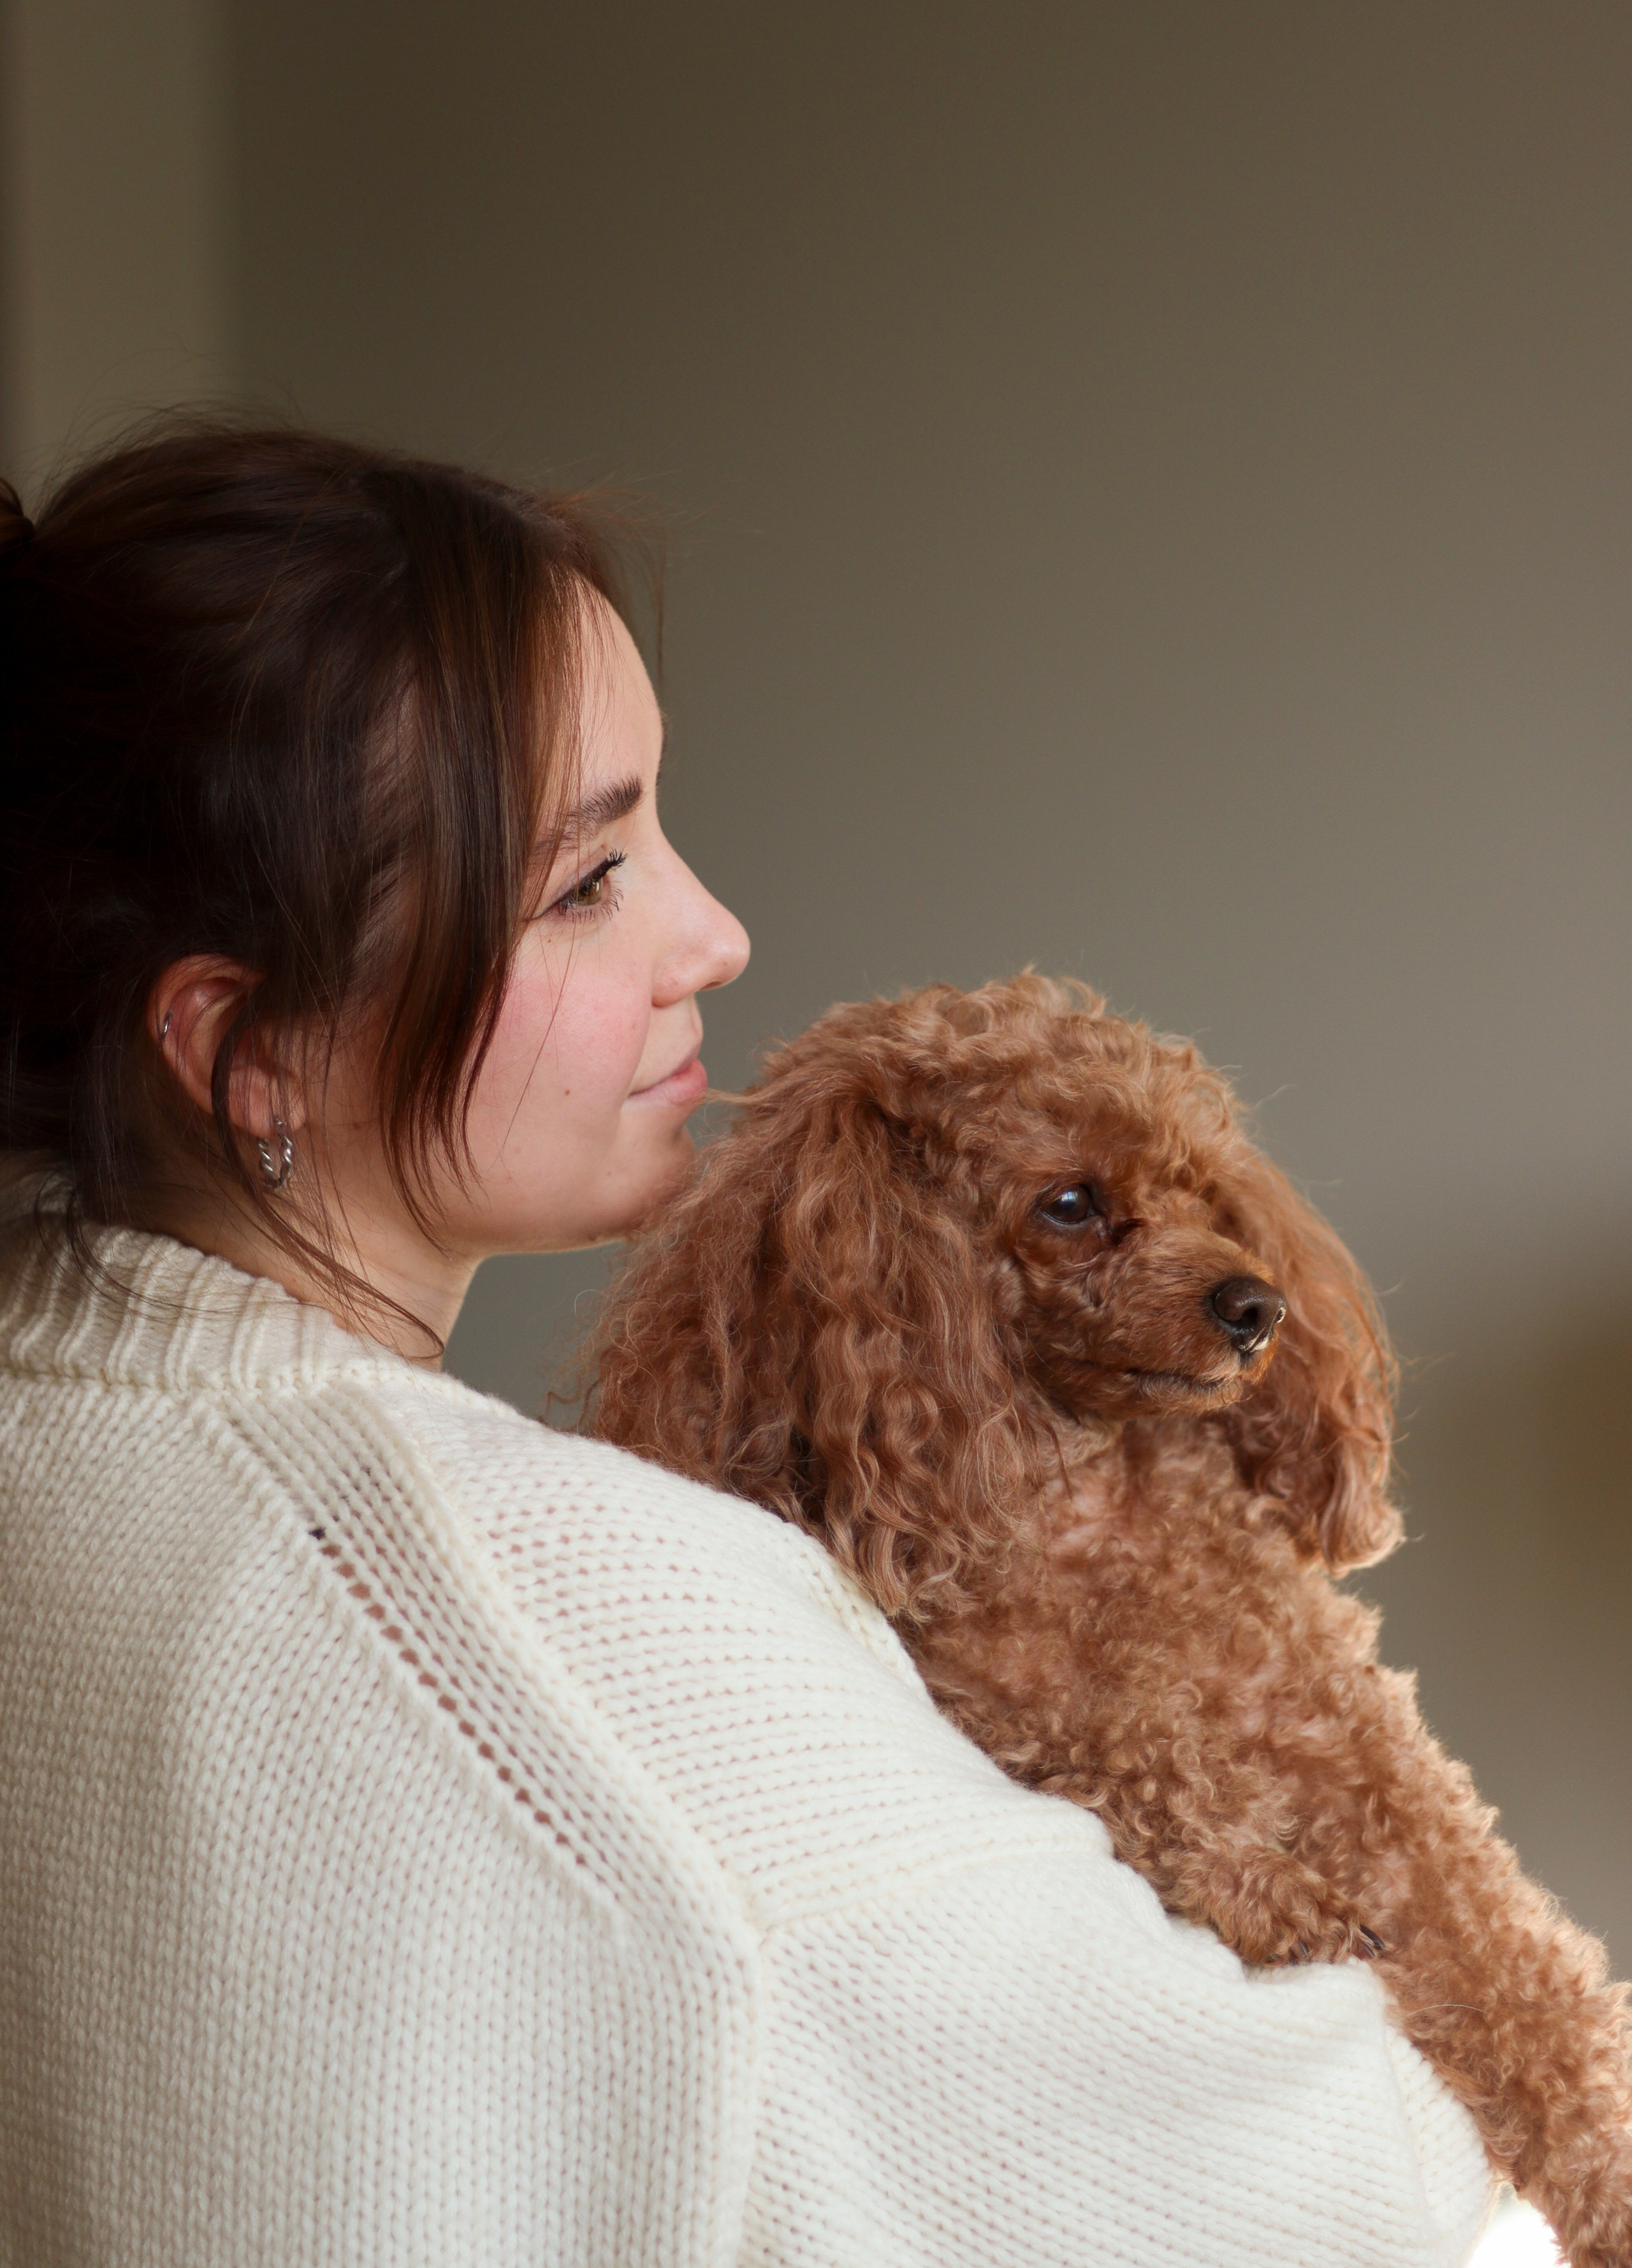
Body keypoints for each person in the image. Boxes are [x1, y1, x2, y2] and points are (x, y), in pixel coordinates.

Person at [0, 424, 1492, 2268]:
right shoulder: (594, 1629)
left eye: (660, 830)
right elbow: (1369, 2213)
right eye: (585, 882)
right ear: (248, 1053)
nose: (714, 934)